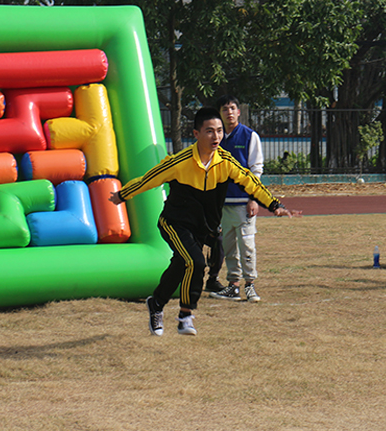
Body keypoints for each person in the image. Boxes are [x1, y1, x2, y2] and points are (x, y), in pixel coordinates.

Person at [109, 107, 298, 336]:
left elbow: (251, 183)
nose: (216, 136)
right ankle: (186, 316)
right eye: (209, 131)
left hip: (202, 228)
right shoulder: (180, 162)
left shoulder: (225, 162)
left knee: (181, 265)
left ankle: (156, 303)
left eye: (219, 131)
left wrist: (275, 205)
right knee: (196, 262)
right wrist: (122, 194)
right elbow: (149, 178)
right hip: (174, 223)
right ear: (196, 134)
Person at [209, 95, 267, 303]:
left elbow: (256, 169)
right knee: (229, 246)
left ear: (239, 111)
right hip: (223, 204)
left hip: (243, 202)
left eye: (232, 108)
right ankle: (233, 285)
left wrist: (254, 198)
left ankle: (250, 285)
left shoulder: (249, 136)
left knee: (247, 244)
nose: (229, 112)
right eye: (225, 109)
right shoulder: (215, 138)